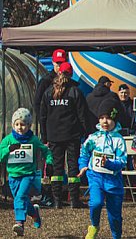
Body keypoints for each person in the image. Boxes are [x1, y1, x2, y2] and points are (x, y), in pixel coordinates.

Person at [39, 62, 89, 209]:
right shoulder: (75, 91)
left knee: (56, 168)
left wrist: (44, 137)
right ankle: (74, 200)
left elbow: (42, 116)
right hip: (72, 135)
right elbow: (82, 115)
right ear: (71, 73)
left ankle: (56, 201)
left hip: (54, 136)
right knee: (73, 167)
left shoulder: (48, 92)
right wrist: (85, 133)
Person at [78, 98, 127, 239]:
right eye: (102, 118)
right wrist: (83, 166)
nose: (105, 122)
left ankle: (116, 235)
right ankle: (94, 225)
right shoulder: (93, 137)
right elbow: (84, 153)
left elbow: (122, 161)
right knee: (96, 202)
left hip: (113, 181)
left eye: (108, 118)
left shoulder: (119, 140)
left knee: (115, 215)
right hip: (96, 177)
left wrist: (109, 164)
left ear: (115, 120)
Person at [0, 108, 50, 236]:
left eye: (23, 124)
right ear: (13, 125)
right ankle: (34, 213)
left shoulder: (33, 140)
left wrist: (49, 162)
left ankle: (19, 223)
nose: (20, 127)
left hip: (28, 175)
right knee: (20, 199)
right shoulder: (8, 140)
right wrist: (9, 150)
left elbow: (45, 150)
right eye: (17, 124)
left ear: (29, 125)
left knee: (20, 197)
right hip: (13, 176)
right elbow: (1, 155)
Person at [33, 49, 67, 209]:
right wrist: (44, 125)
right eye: (57, 63)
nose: (59, 66)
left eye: (62, 63)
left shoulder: (67, 80)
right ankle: (48, 196)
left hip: (64, 131)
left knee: (63, 165)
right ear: (53, 63)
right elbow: (37, 104)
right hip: (49, 131)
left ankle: (59, 196)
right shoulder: (46, 81)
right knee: (49, 164)